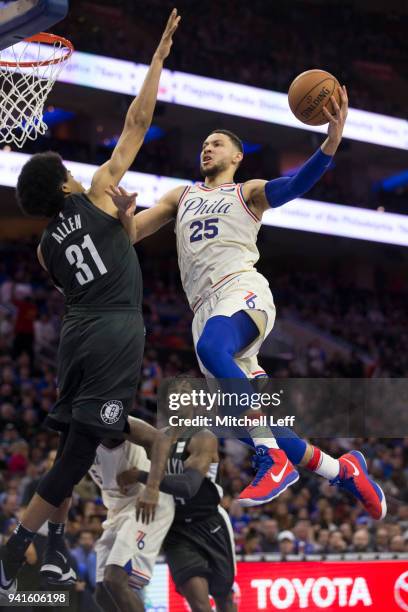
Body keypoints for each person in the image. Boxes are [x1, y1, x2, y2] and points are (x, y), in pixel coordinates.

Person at [107, 89, 386, 520]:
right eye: (204, 144)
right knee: (264, 421)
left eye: (216, 143)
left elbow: (294, 185)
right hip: (204, 310)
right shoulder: (179, 197)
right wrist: (125, 214)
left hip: (241, 291)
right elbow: (131, 236)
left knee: (213, 354)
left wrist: (331, 141)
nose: (207, 148)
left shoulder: (247, 192)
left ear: (237, 156)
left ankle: (273, 462)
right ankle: (343, 470)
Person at [0, 10, 181, 599]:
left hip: (76, 337)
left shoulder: (46, 251)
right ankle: (11, 549)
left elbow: (105, 259)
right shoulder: (102, 187)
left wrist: (130, 220)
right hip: (112, 336)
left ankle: (50, 553)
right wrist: (155, 62)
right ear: (66, 184)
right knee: (77, 454)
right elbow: (137, 121)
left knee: (75, 445)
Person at [118, 424, 237, 612]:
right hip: (176, 529)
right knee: (199, 604)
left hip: (209, 523)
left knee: (224, 598)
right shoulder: (155, 438)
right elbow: (121, 425)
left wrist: (139, 476)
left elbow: (189, 487)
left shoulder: (203, 438)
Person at [87, 417, 174, 612]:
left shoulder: (109, 420)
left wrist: (152, 487)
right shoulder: (75, 436)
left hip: (146, 503)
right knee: (102, 592)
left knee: (115, 579)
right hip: (117, 509)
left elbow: (160, 438)